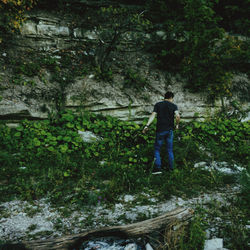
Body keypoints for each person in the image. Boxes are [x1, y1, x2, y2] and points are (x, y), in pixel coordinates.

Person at [143, 91, 180, 174]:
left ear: (165, 97)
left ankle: (158, 169)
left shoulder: (158, 105)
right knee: (170, 150)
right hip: (169, 130)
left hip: (160, 130)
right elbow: (177, 116)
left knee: (157, 149)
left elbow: (153, 116)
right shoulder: (174, 106)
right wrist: (177, 125)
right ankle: (171, 169)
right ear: (171, 98)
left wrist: (147, 125)